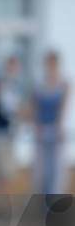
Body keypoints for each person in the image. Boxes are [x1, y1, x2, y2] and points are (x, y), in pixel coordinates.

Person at [31, 51, 70, 194]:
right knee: (42, 171)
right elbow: (35, 109)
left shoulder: (63, 85)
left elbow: (62, 109)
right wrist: (37, 127)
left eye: (53, 64)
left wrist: (59, 128)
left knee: (56, 171)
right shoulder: (39, 86)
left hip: (55, 131)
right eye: (48, 64)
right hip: (42, 132)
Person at [0, 56, 23, 201]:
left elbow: (17, 109)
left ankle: (2, 202)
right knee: (0, 171)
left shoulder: (16, 85)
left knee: (7, 172)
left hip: (9, 132)